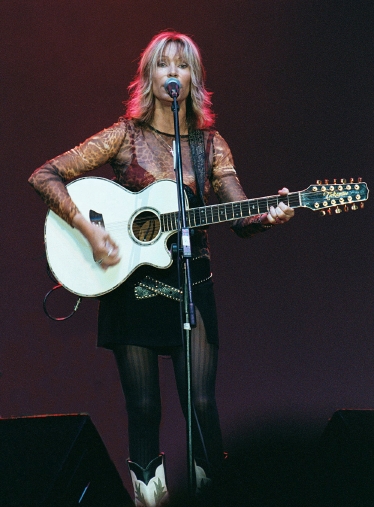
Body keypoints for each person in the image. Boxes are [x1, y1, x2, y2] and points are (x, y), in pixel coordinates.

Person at [29, 31, 294, 506]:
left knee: (201, 404)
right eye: (163, 64)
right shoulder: (124, 136)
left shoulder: (210, 146)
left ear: (194, 80)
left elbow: (240, 215)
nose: (173, 72)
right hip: (132, 287)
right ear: (148, 77)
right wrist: (90, 231)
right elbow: (45, 175)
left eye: (183, 65)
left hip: (193, 285)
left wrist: (270, 214)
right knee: (145, 407)